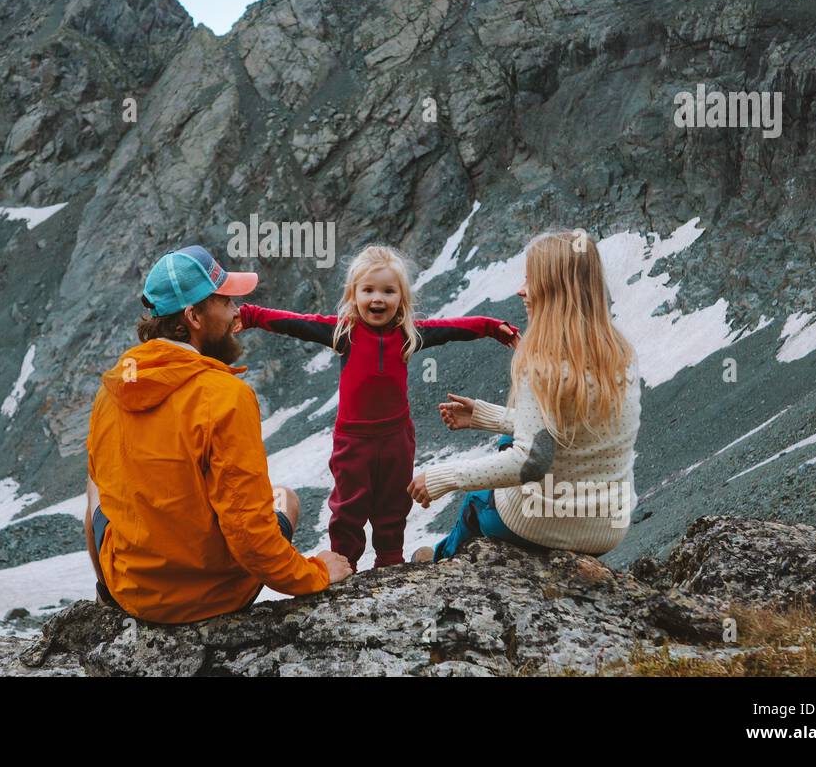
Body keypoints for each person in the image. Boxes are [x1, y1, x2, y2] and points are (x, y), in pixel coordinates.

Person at [84, 244, 352, 624]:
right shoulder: (226, 396)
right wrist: (317, 573)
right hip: (213, 598)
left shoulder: (111, 391)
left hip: (135, 594)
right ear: (193, 315)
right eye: (225, 302)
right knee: (284, 497)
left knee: (95, 486)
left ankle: (105, 596)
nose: (237, 311)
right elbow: (250, 533)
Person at [236, 244, 519, 569]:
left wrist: (490, 327)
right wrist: (251, 315)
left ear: (401, 297)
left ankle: (390, 561)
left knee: (394, 504)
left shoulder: (408, 334)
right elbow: (296, 323)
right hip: (353, 442)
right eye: (368, 290)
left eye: (388, 291)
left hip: (397, 438)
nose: (378, 299)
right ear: (353, 294)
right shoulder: (344, 332)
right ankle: (344, 563)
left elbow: (453, 328)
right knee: (348, 508)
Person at [409, 230, 641, 560]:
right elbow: (566, 431)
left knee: (482, 491)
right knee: (513, 444)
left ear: (552, 290)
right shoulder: (620, 355)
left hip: (542, 525)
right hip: (607, 529)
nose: (521, 290)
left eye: (530, 280)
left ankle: (439, 560)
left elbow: (529, 463)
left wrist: (443, 477)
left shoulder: (542, 363)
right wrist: (485, 416)